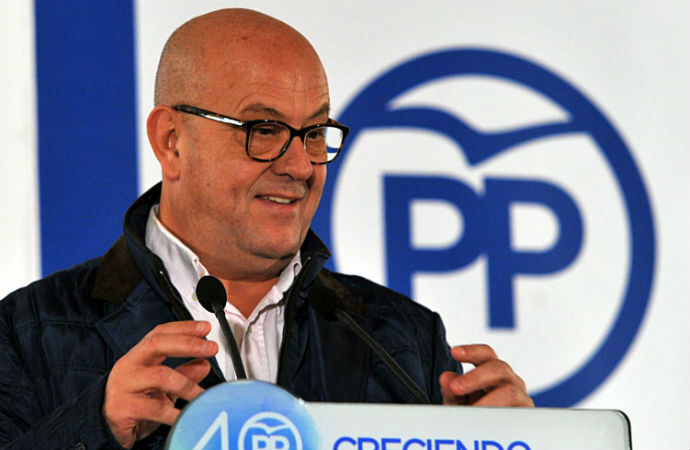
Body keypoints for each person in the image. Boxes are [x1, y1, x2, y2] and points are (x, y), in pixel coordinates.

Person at [0, 8, 532, 450]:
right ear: (171, 141)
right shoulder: (27, 332)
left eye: (314, 132)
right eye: (264, 129)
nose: (300, 165)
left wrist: (507, 441)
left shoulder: (406, 340)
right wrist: (94, 428)